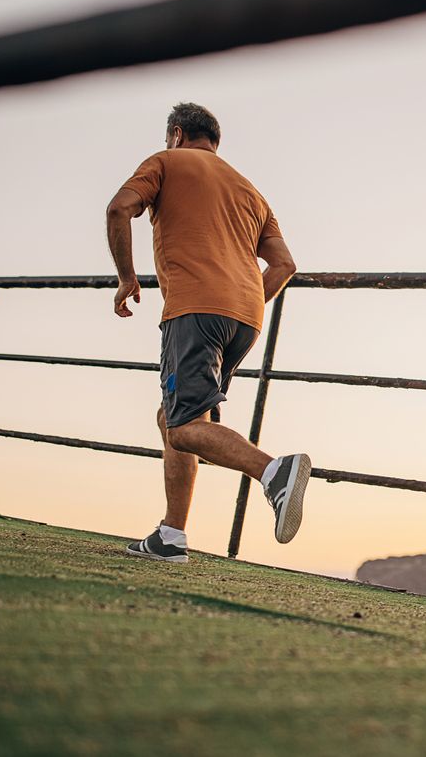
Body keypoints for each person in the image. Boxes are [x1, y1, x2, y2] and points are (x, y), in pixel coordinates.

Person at [104, 102, 310, 563]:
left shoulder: (165, 162)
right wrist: (244, 301)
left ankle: (275, 472)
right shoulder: (250, 192)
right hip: (248, 316)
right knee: (174, 418)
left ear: (176, 134)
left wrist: (126, 277)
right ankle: (171, 536)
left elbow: (119, 209)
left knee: (182, 429)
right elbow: (284, 266)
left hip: (195, 309)